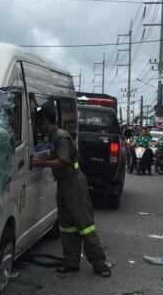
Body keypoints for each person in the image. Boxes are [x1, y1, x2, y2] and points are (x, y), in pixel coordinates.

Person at [30, 103, 111, 277]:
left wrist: (42, 163)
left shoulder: (60, 136)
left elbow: (63, 161)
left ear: (44, 121)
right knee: (67, 226)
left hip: (73, 183)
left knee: (84, 225)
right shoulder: (53, 137)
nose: (38, 128)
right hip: (63, 184)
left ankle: (99, 264)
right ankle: (71, 261)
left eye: (38, 124)